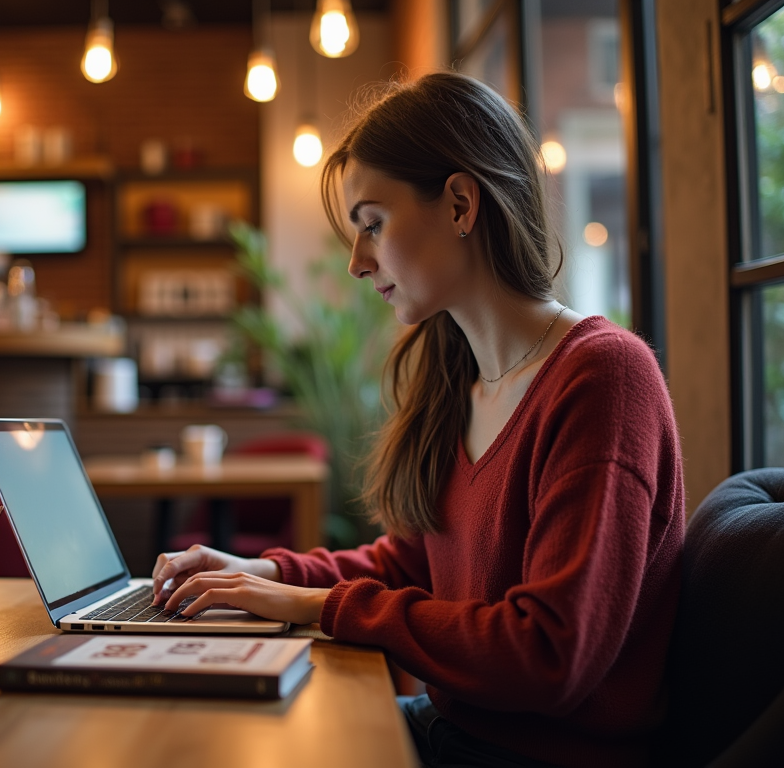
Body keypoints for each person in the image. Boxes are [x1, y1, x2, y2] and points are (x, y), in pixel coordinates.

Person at [151, 71, 685, 768]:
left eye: (372, 224)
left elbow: (549, 654)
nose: (355, 261)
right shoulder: (457, 377)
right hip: (454, 729)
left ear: (461, 203)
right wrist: (264, 572)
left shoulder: (603, 378)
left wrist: (314, 607)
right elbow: (407, 564)